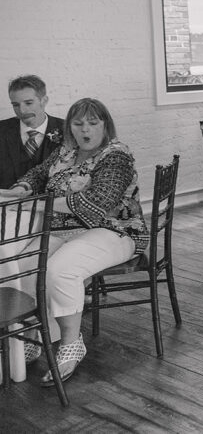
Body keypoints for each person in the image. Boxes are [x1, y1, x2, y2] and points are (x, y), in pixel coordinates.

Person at [0, 98, 148, 385]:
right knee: (25, 268)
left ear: (106, 125)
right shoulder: (67, 151)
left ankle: (70, 343)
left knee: (60, 270)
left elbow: (96, 203)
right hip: (66, 229)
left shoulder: (116, 156)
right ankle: (34, 333)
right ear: (69, 127)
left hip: (114, 229)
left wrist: (38, 204)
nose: (85, 130)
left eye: (93, 123)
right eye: (78, 124)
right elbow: (41, 171)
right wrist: (23, 187)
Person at [1, 75, 64, 189]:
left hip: (51, 204)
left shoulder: (68, 130)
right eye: (15, 105)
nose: (22, 110)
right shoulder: (2, 130)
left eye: (28, 103)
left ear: (44, 101)